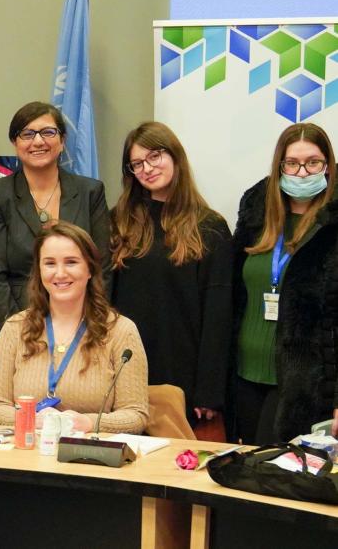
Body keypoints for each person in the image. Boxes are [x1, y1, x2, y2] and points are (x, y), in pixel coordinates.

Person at [109, 122, 231, 433]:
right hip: (124, 369)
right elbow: (104, 300)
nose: (147, 169)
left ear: (175, 156)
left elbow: (218, 315)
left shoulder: (210, 227)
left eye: (155, 156)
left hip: (183, 374)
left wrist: (209, 390)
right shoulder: (119, 222)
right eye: (137, 163)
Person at [0, 222, 148, 434]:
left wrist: (89, 423)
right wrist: (31, 419)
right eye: (50, 263)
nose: (60, 273)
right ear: (39, 270)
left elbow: (136, 414)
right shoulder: (15, 328)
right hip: (28, 450)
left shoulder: (121, 331)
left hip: (89, 452)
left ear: (90, 269)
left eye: (71, 262)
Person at [232, 122, 338, 443]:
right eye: (292, 163)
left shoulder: (331, 226)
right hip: (244, 375)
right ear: (280, 167)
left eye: (313, 162)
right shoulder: (256, 216)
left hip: (304, 384)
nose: (302, 173)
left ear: (328, 166)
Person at [0, 101, 112, 351]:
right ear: (15, 143)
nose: (38, 141)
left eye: (48, 132)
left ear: (62, 140)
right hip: (15, 330)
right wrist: (23, 332)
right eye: (27, 134)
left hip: (82, 330)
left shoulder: (90, 192)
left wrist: (86, 325)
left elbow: (102, 268)